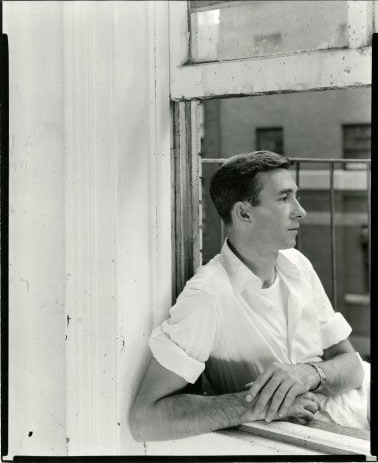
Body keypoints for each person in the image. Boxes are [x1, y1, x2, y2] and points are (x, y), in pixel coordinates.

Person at [130, 151, 370, 442]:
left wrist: (308, 373)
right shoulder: (209, 295)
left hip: (361, 408)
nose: (300, 211)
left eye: (296, 196)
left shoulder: (297, 265)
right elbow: (146, 419)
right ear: (244, 213)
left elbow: (353, 368)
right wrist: (259, 404)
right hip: (333, 436)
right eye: (284, 198)